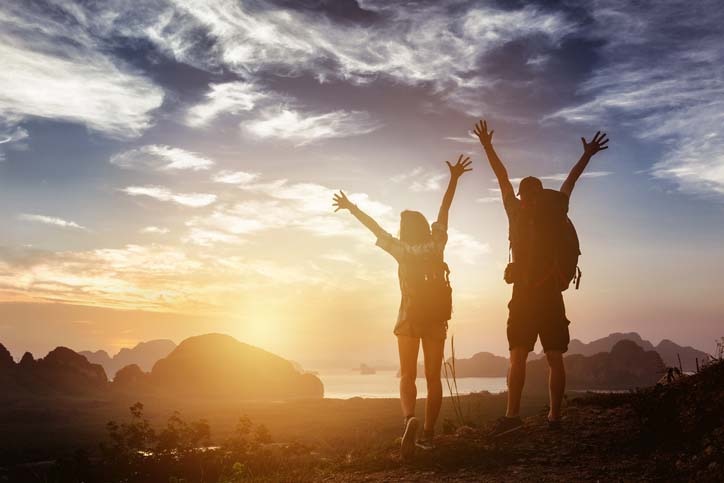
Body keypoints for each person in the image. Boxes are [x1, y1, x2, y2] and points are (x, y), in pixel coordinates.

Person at [473, 119, 608, 435]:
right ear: (541, 193)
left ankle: (512, 415)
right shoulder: (556, 209)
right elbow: (570, 182)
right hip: (550, 294)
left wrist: (487, 146)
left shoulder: (515, 212)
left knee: (517, 355)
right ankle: (555, 418)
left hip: (523, 294)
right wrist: (587, 154)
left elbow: (502, 177)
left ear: (522, 195)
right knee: (554, 357)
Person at [332, 155, 472, 458]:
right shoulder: (436, 244)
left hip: (408, 318)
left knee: (407, 376)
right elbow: (444, 210)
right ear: (423, 226)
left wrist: (351, 207)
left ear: (404, 229)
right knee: (434, 378)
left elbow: (373, 227)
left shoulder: (400, 250)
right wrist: (454, 179)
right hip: (436, 319)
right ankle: (429, 435)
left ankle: (409, 419)